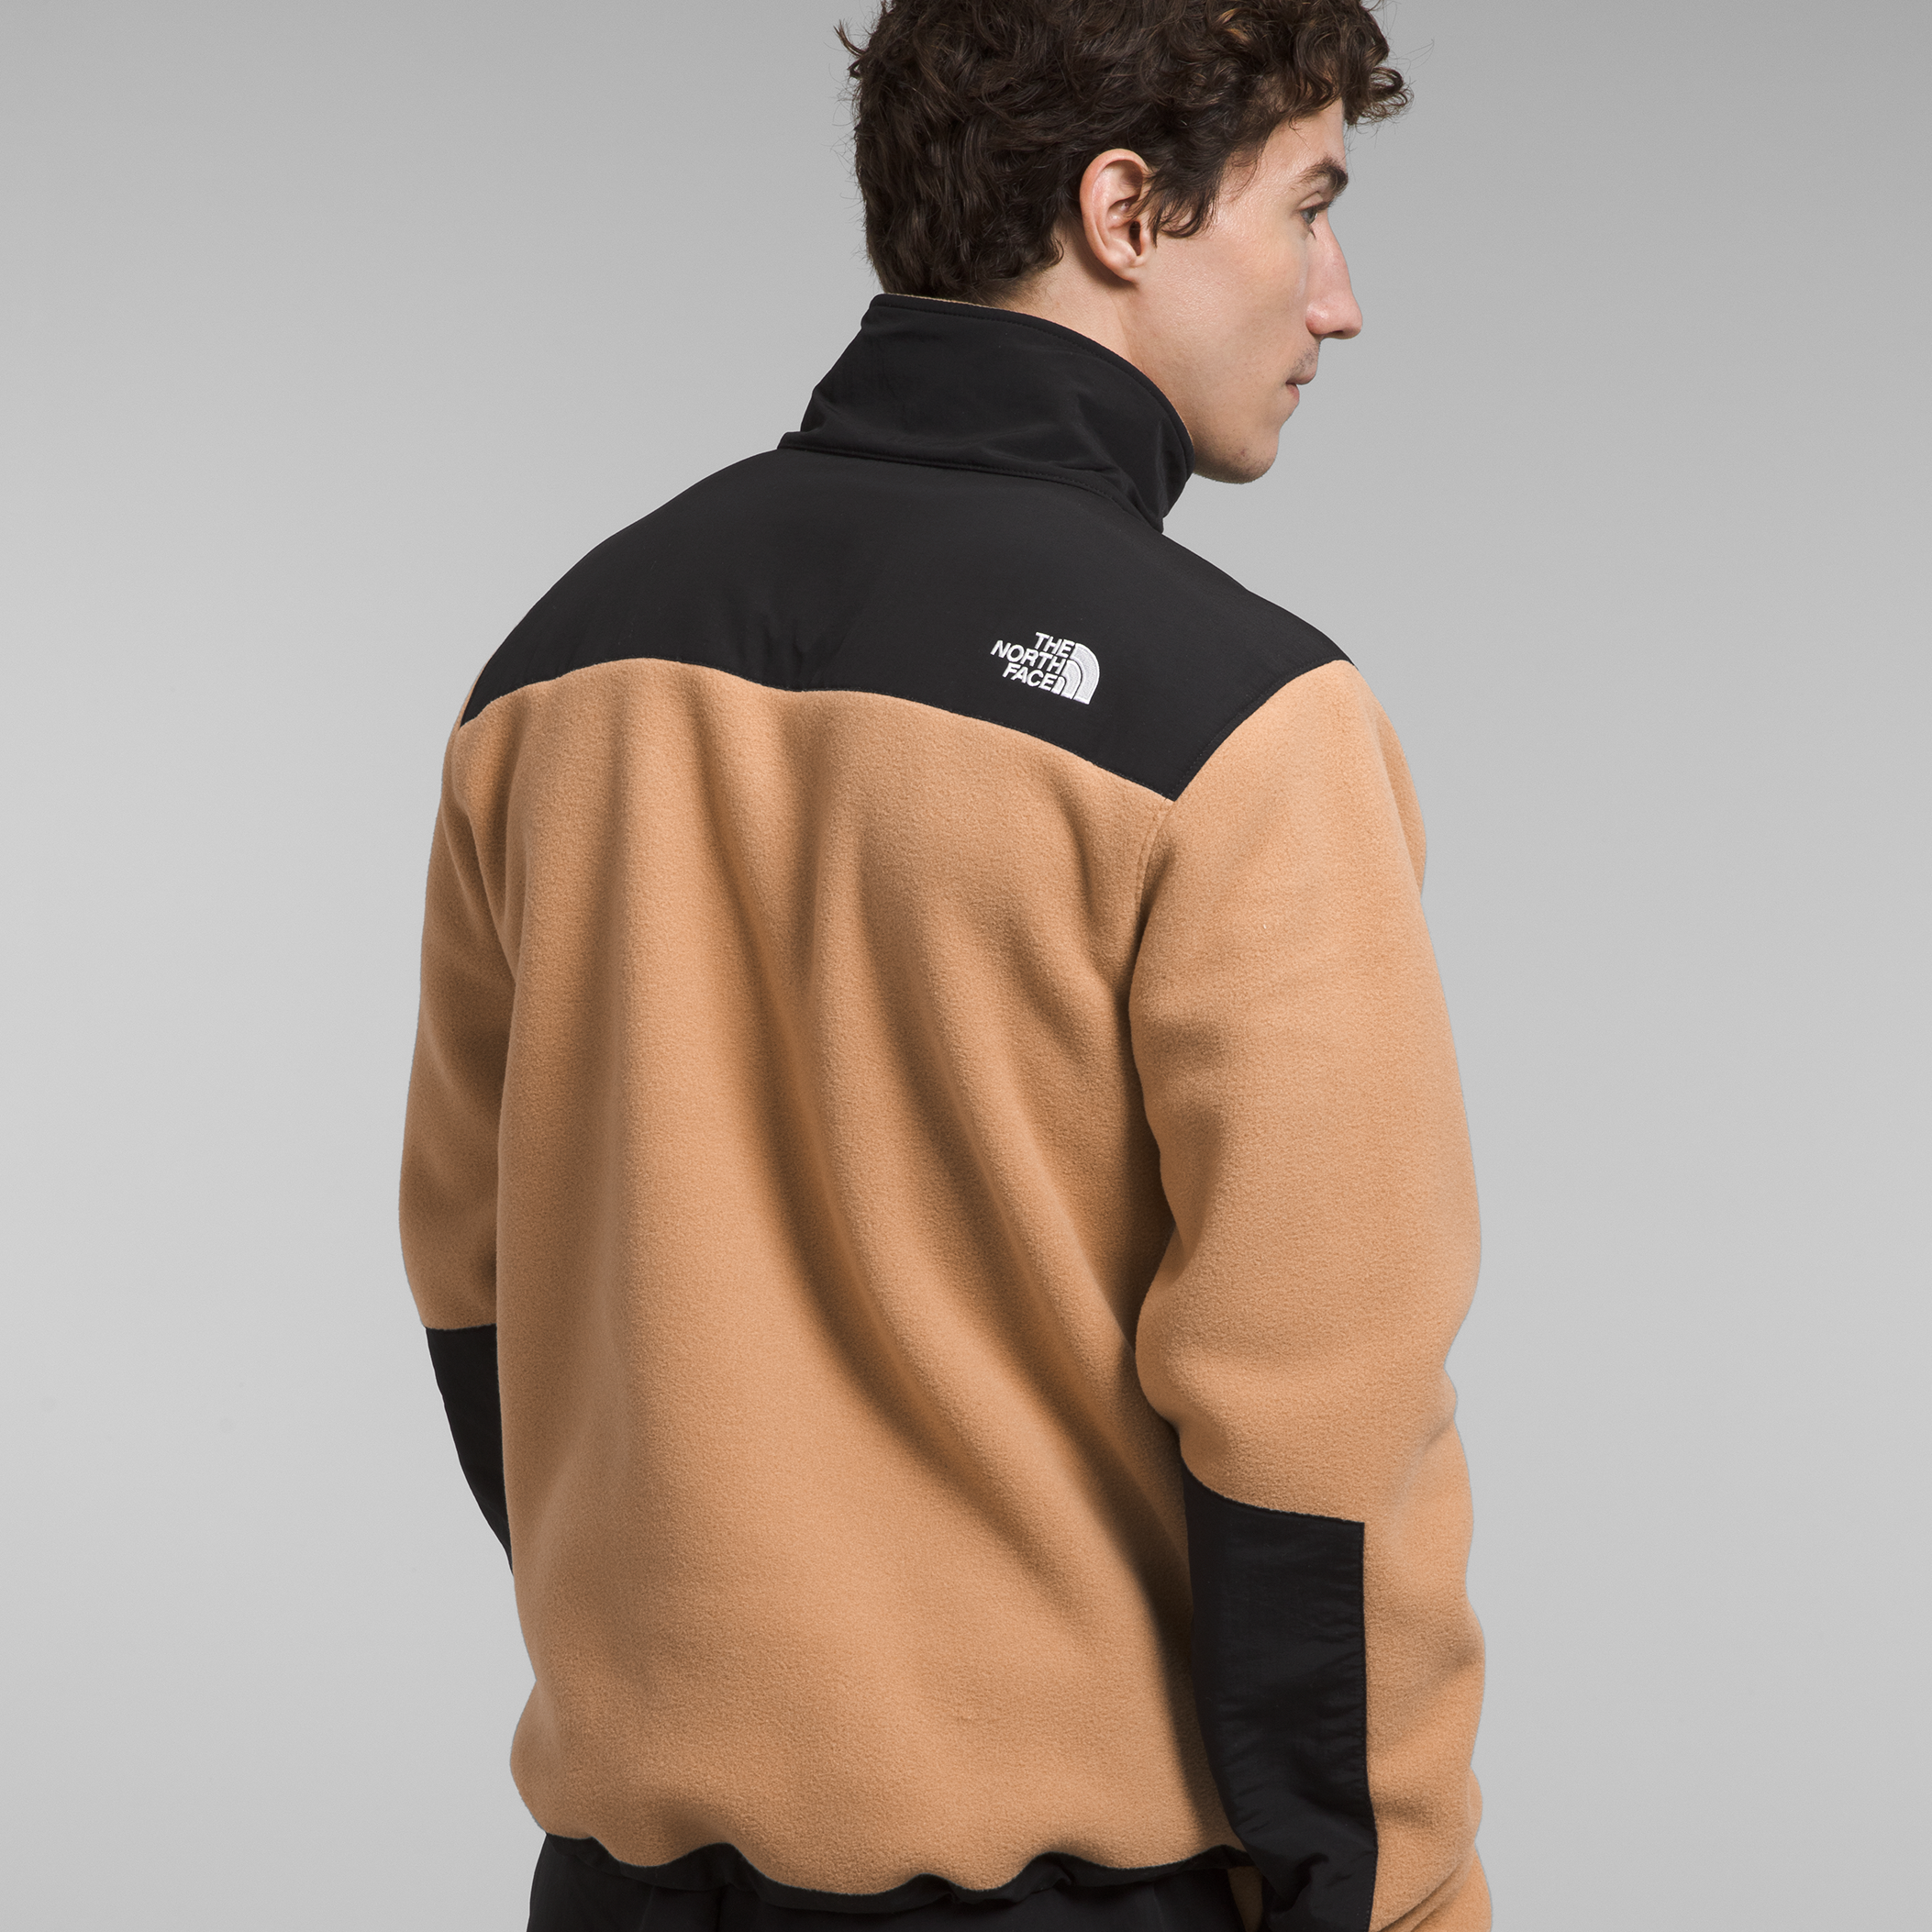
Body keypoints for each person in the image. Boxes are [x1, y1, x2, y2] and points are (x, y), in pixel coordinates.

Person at [399, 3, 1486, 1927]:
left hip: (627, 1886)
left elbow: (482, 1290)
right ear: (1126, 212)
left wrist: (699, 1670)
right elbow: (1317, 1444)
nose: (1339, 302)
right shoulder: (1244, 727)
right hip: (1080, 1892)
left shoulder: (556, 669)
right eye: (1310, 208)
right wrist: (1391, 1902)